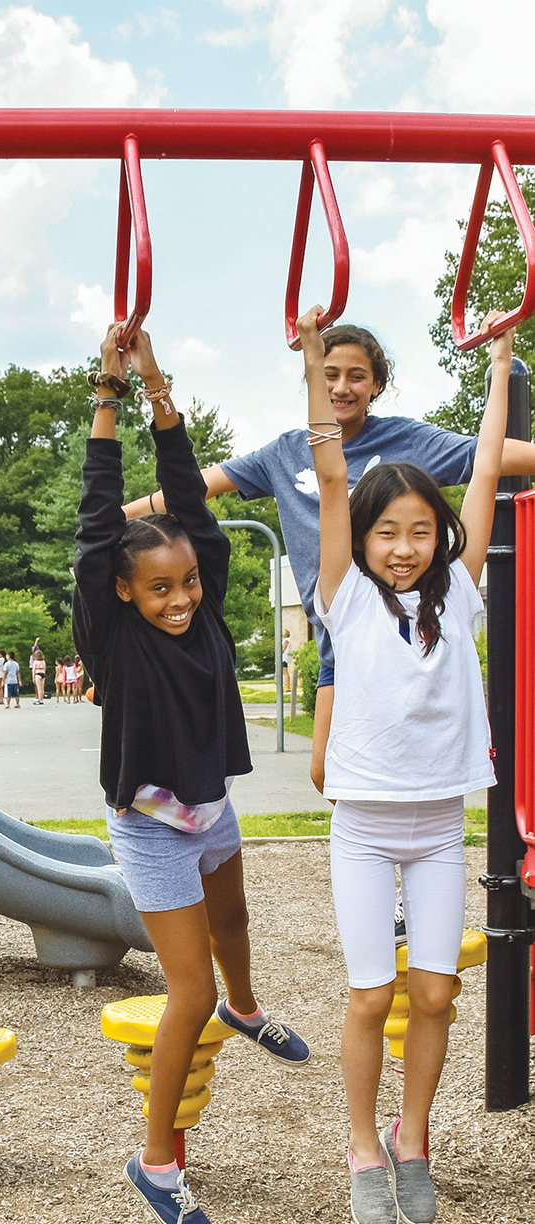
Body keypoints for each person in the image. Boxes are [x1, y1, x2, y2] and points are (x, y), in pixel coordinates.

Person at [74, 322, 310, 1224]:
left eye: (188, 584)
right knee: (189, 992)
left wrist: (159, 387)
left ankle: (249, 1012)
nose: (179, 600)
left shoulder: (203, 604)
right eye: (159, 589)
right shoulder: (113, 630)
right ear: (125, 592)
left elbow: (187, 499)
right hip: (149, 827)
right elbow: (102, 519)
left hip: (210, 808)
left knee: (238, 921)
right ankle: (156, 1162)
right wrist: (108, 388)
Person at [298, 304, 512, 1224]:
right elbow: (330, 460)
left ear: (440, 538)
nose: (404, 545)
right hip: (364, 824)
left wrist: (502, 365)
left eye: (420, 531)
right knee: (370, 992)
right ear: (363, 536)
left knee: (435, 990)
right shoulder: (343, 594)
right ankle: (359, 1148)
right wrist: (313, 358)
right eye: (388, 531)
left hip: (437, 826)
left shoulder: (461, 592)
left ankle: (409, 1135)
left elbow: (490, 464)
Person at [124, 325, 535, 793]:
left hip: (398, 626)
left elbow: (488, 458)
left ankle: (410, 835)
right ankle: (374, 841)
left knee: (395, 759)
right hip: (336, 635)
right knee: (326, 772)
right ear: (314, 380)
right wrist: (118, 518)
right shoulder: (284, 453)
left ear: (376, 385)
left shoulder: (409, 442)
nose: (342, 387)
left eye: (357, 376)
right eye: (330, 374)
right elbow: (196, 486)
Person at [281, 629, 291, 693]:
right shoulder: (287, 640)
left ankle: (287, 687)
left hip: (284, 658)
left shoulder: (286, 640)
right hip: (285, 658)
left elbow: (283, 648)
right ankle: (287, 686)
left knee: (285, 672)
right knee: (285, 672)